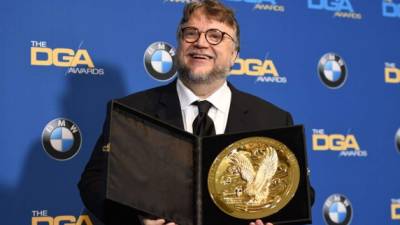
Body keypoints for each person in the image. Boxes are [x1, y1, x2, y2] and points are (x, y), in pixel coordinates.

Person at [78, 1, 313, 225]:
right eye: (191, 33)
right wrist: (139, 220)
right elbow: (95, 183)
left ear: (235, 55)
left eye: (215, 35)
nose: (201, 43)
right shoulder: (131, 112)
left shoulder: (273, 119)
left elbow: (300, 194)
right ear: (179, 44)